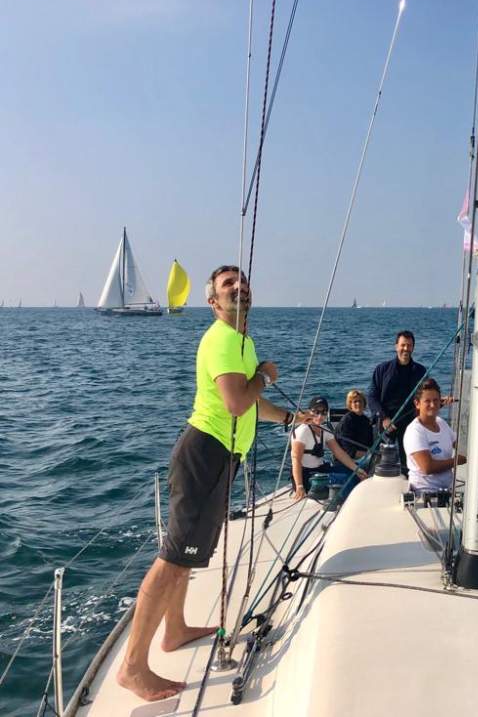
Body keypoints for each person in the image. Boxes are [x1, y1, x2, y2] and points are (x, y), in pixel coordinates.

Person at [117, 265, 306, 701]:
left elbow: (251, 404)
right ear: (213, 301)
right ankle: (132, 667)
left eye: (243, 281)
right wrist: (266, 375)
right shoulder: (222, 340)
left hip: (218, 457)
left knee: (187, 554)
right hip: (205, 455)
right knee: (173, 559)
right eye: (228, 284)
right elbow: (238, 402)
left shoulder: (242, 342)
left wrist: (291, 417)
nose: (239, 286)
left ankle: (175, 629)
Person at [368, 330, 427, 468]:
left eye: (409, 345)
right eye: (403, 345)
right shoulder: (382, 369)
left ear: (413, 348)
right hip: (385, 424)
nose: (406, 348)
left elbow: (425, 397)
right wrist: (383, 418)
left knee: (409, 465)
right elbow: (372, 396)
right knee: (380, 465)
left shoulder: (421, 371)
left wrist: (439, 401)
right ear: (396, 346)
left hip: (410, 424)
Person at [290, 396, 367, 501]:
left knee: (353, 473)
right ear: (309, 412)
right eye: (316, 412)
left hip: (321, 470)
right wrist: (299, 486)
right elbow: (296, 459)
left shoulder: (324, 430)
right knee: (344, 479)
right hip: (308, 477)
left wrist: (356, 469)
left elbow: (339, 453)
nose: (320, 416)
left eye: (324, 413)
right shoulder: (303, 431)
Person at [403, 378, 465, 495]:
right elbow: (427, 467)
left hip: (447, 490)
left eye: (436, 400)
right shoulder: (415, 431)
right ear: (417, 404)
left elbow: (460, 445)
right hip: (424, 492)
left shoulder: (442, 423)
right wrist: (457, 461)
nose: (432, 405)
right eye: (427, 401)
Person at [335, 389, 374, 459]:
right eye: (355, 401)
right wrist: (370, 455)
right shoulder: (347, 421)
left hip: (364, 457)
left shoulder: (366, 420)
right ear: (350, 404)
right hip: (346, 459)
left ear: (364, 403)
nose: (358, 404)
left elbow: (370, 443)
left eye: (360, 401)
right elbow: (347, 449)